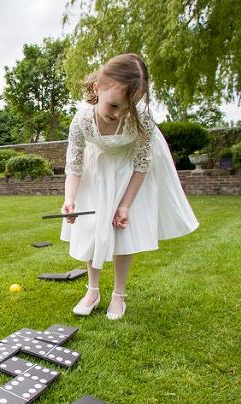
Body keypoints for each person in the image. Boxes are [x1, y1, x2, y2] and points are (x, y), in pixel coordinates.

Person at [60, 54, 198, 320]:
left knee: (122, 234)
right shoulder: (81, 120)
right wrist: (70, 198)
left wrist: (125, 204)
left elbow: (143, 162)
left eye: (128, 107)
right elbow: (74, 164)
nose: (119, 114)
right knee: (92, 231)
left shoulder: (142, 119)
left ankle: (118, 296)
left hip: (128, 175)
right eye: (113, 105)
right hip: (96, 174)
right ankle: (92, 291)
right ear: (97, 87)